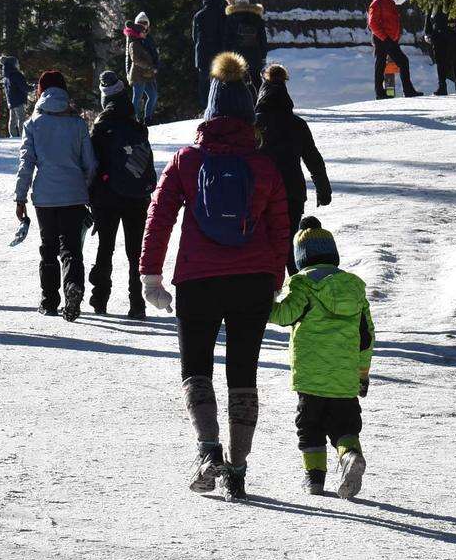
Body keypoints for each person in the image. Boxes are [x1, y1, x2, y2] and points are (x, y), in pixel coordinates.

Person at [140, 52, 291, 501]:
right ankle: (239, 469)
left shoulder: (187, 160)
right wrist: (276, 274)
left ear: (209, 112)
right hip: (253, 280)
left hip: (198, 281)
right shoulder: (264, 165)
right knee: (243, 374)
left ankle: (209, 452)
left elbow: (158, 217)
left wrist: (151, 275)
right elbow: (280, 224)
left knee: (197, 370)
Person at [269, 217, 374, 499]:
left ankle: (314, 480)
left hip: (310, 376)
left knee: (310, 427)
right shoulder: (354, 287)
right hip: (344, 377)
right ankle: (350, 455)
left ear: (301, 258)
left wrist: (265, 297)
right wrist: (362, 374)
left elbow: (283, 315)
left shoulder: (302, 283)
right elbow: (366, 337)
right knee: (345, 425)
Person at [14, 70, 97, 320]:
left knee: (48, 248)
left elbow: (26, 162)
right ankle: (73, 285)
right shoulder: (78, 123)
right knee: (71, 248)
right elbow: (91, 163)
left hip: (45, 197)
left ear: (40, 92)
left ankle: (49, 300)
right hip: (74, 195)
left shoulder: (32, 124)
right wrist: (84, 186)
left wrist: (20, 197)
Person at [89, 72, 157, 318]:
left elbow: (92, 165)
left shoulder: (102, 125)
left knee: (105, 247)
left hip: (107, 196)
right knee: (135, 251)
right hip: (137, 196)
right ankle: (137, 303)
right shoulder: (136, 123)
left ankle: (100, 299)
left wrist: (91, 196)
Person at [253, 65, 332, 272]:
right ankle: (296, 286)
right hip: (292, 191)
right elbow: (313, 158)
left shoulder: (254, 125)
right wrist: (323, 189)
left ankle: (267, 289)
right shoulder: (297, 123)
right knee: (289, 242)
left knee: (264, 240)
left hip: (261, 191)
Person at [367, 0, 421, 98]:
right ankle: (380, 92)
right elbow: (373, 24)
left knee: (401, 61)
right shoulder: (376, 3)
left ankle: (407, 90)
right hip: (382, 39)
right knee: (382, 64)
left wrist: (395, 36)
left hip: (390, 39)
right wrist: (385, 38)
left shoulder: (389, 1)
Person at [224, 0, 269, 98]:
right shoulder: (256, 17)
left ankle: (241, 103)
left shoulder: (231, 17)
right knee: (256, 79)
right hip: (255, 53)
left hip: (238, 54)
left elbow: (227, 39)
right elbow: (262, 38)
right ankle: (258, 101)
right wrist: (263, 55)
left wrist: (227, 54)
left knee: (239, 80)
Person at [191, 0, 229, 105]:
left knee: (204, 83)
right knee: (220, 80)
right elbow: (224, 34)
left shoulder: (198, 15)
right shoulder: (221, 14)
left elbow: (194, 36)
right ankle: (219, 104)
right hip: (218, 51)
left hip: (202, 52)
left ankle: (205, 106)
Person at [123, 13, 159, 123]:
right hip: (138, 74)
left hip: (147, 73)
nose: (144, 29)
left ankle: (148, 118)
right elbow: (133, 59)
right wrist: (129, 73)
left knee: (153, 96)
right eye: (141, 25)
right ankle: (136, 120)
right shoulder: (133, 42)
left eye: (145, 24)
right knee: (137, 97)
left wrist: (154, 66)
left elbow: (151, 54)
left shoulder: (146, 39)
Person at [426, 5, 456, 95]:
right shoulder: (433, 1)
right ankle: (442, 87)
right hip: (437, 34)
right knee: (440, 62)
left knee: (455, 61)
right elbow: (428, 17)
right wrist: (427, 32)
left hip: (451, 33)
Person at [0, 54, 32, 137]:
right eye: (17, 63)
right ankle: (22, 135)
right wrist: (32, 88)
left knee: (12, 119)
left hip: (11, 101)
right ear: (13, 64)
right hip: (18, 100)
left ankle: (12, 135)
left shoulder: (7, 77)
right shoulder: (17, 75)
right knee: (21, 118)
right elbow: (23, 87)